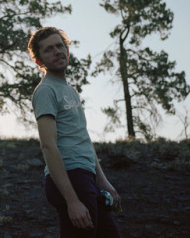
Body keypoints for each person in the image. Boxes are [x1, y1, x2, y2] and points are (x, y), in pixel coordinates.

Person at [28, 26, 122, 238]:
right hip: (71, 177)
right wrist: (71, 200)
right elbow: (48, 145)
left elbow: (84, 139)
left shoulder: (70, 91)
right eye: (49, 49)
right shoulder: (45, 91)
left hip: (86, 176)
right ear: (38, 61)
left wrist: (103, 181)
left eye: (60, 46)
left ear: (67, 51)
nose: (58, 51)